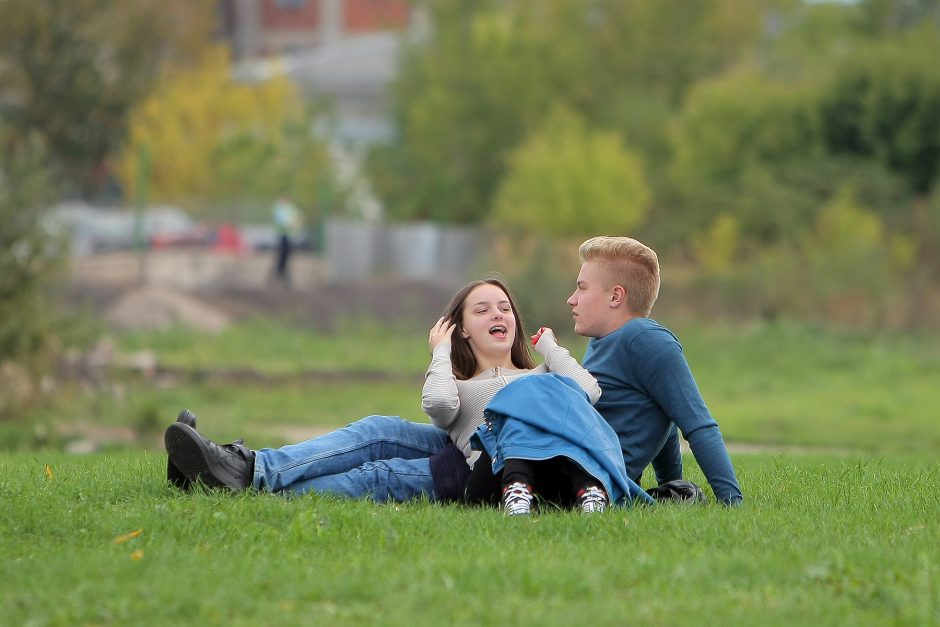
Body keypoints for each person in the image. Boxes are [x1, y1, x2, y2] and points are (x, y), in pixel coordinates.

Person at [163, 278, 614, 508]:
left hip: (485, 468)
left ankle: (234, 477)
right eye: (482, 310)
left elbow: (587, 395)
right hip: (458, 444)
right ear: (463, 331)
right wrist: (441, 353)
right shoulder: (458, 383)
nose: (498, 313)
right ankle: (243, 466)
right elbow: (441, 409)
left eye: (504, 308)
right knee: (376, 429)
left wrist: (553, 350)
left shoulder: (538, 378)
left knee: (379, 475)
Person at [568, 236, 744, 505]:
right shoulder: (602, 341)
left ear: (615, 296)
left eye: (581, 288)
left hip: (588, 487)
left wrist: (733, 503)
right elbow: (661, 409)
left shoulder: (644, 338)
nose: (572, 299)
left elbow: (698, 425)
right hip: (570, 470)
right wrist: (671, 485)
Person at [271, 196, 301, 283]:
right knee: (283, 256)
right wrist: (292, 224)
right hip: (284, 236)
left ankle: (281, 273)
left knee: (284, 256)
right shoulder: (281, 209)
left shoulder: (288, 209)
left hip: (288, 235)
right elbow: (285, 222)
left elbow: (297, 219)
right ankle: (280, 274)